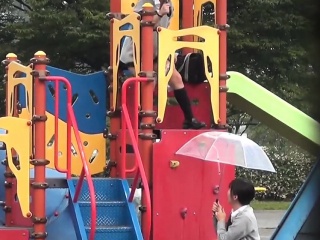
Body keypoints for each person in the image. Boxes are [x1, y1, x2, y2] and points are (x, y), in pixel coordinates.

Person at [119, 0, 206, 129]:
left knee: (176, 79)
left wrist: (170, 54)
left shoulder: (169, 5)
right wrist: (160, 14)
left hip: (155, 53)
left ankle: (189, 119)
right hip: (135, 54)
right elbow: (143, 27)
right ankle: (141, 122)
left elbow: (163, 32)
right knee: (149, 80)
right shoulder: (146, 2)